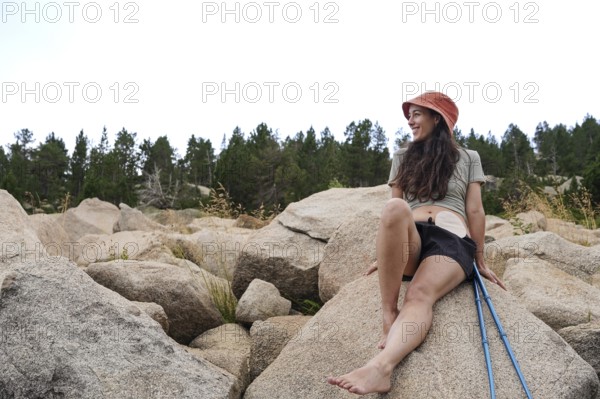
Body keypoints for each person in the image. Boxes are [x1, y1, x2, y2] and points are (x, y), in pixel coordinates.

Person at [326, 91, 506, 395]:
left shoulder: (468, 157)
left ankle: (382, 368)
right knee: (395, 208)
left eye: (417, 113)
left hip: (450, 240)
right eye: (409, 114)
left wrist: (480, 259)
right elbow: (392, 215)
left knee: (420, 293)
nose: (410, 119)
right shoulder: (401, 157)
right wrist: (385, 257)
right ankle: (388, 312)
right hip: (413, 238)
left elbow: (475, 209)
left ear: (438, 118)